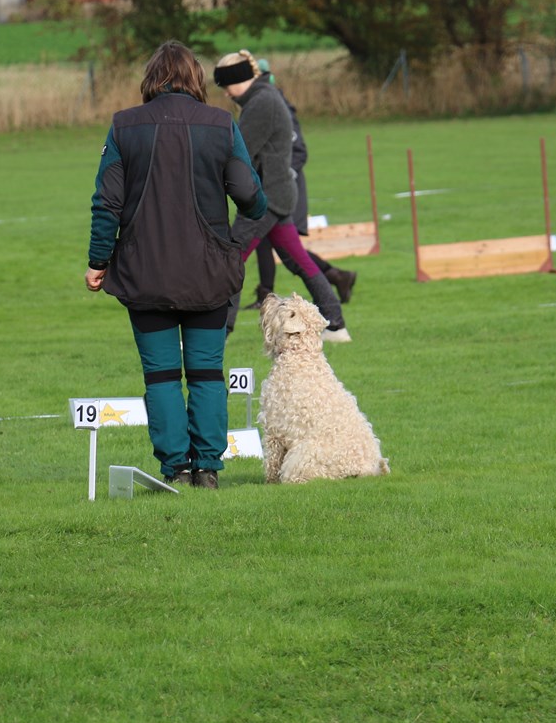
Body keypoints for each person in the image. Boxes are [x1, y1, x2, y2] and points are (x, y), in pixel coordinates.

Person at [85, 41, 268, 489]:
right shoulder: (221, 124)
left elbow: (106, 203)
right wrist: (241, 229)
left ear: (151, 79)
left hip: (144, 272)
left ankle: (176, 468)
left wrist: (97, 261)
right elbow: (249, 196)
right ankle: (207, 467)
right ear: (196, 79)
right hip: (209, 273)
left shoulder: (124, 126)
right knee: (206, 372)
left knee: (161, 375)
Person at [214, 50, 351, 343]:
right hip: (278, 193)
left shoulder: (262, 103)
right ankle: (336, 325)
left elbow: (239, 152)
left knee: (232, 258)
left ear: (239, 80)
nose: (225, 93)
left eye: (226, 86)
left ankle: (218, 330)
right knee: (299, 261)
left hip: (267, 198)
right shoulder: (262, 98)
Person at [243, 58, 357, 309]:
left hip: (284, 190)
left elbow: (298, 152)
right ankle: (269, 293)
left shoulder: (279, 106)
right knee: (273, 243)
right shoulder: (258, 105)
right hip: (267, 191)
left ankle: (335, 278)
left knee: (289, 250)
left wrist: (279, 178)